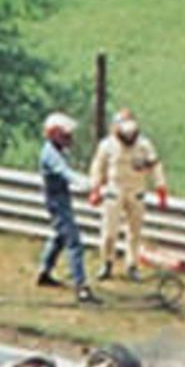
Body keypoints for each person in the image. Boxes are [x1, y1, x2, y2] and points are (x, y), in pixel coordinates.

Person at [87, 108, 169, 281]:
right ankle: (107, 262)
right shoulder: (107, 145)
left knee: (135, 232)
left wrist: (161, 188)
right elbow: (97, 167)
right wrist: (95, 188)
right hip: (114, 190)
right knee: (109, 231)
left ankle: (132, 265)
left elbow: (155, 166)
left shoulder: (144, 145)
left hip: (136, 190)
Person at [35, 112, 98, 304]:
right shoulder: (50, 154)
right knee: (74, 242)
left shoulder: (56, 150)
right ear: (53, 133)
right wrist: (86, 184)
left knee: (59, 237)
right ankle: (81, 287)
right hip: (57, 202)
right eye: (65, 135)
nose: (70, 139)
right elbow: (65, 173)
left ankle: (44, 272)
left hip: (60, 199)